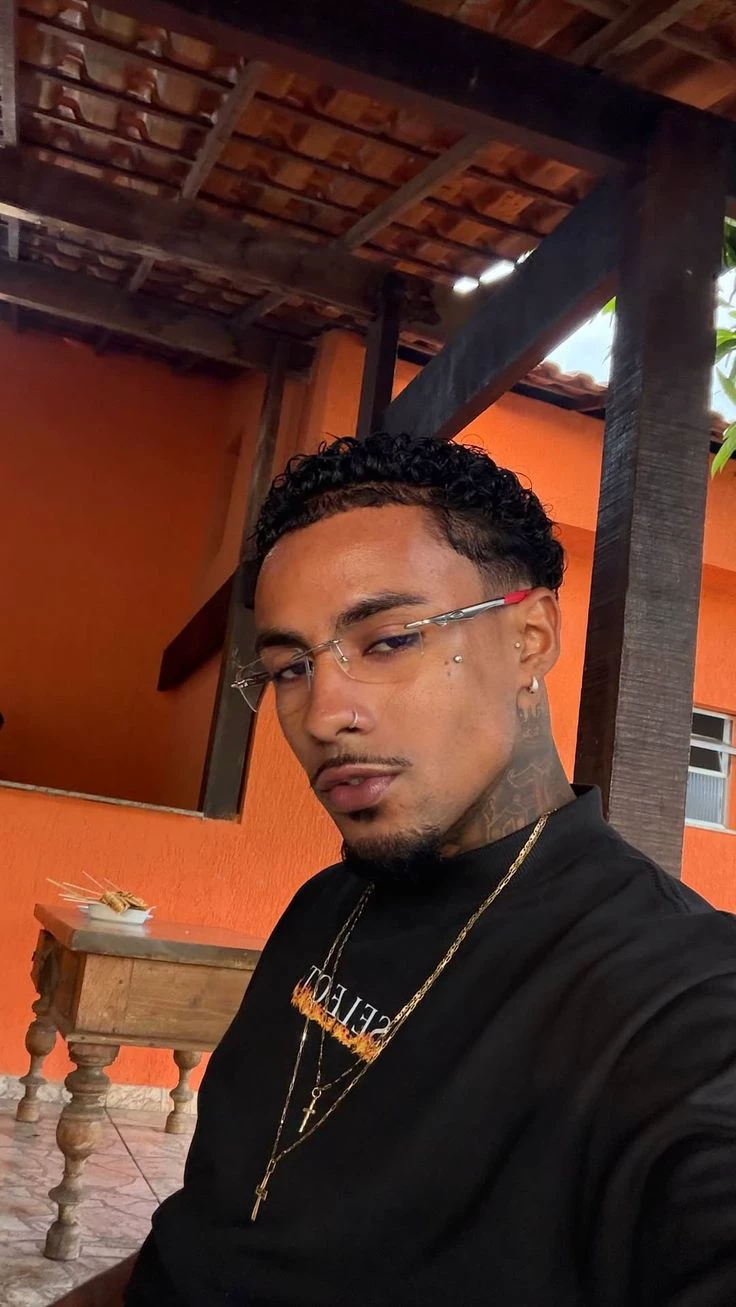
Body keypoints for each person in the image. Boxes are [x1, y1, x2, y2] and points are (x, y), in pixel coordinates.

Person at [57, 433, 736, 1307]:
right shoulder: (324, 903)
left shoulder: (678, 1000)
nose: (323, 712)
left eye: (387, 640)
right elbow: (205, 1235)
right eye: (290, 667)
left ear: (531, 637)